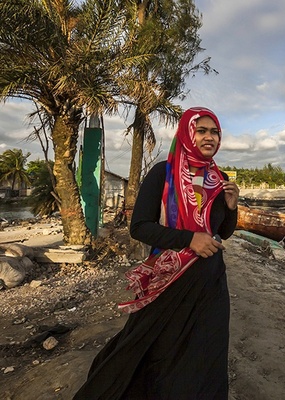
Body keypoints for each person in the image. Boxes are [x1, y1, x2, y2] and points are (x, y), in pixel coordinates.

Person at [74, 107, 239, 399]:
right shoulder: (163, 173)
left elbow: (223, 232)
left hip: (210, 284)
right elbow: (139, 227)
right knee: (155, 348)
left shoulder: (220, 178)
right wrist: (190, 239)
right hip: (169, 281)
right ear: (188, 134)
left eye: (214, 132)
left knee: (205, 353)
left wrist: (231, 206)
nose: (209, 137)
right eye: (202, 130)